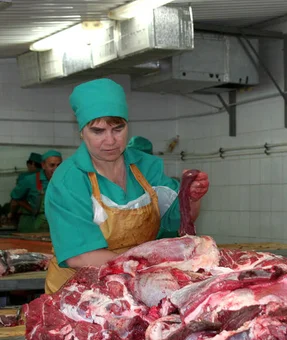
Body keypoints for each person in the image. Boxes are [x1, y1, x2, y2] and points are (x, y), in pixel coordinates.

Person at [44, 78, 210, 294]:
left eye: (117, 128)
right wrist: (146, 267)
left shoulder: (146, 167)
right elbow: (80, 255)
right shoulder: (69, 180)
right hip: (79, 292)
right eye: (98, 131)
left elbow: (176, 221)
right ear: (82, 132)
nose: (110, 140)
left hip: (132, 287)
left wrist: (191, 199)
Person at [9, 150, 62, 233]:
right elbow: (16, 197)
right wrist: (32, 210)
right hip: (31, 225)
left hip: (53, 226)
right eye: (52, 165)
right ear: (43, 165)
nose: (56, 169)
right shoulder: (30, 180)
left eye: (59, 165)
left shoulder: (63, 181)